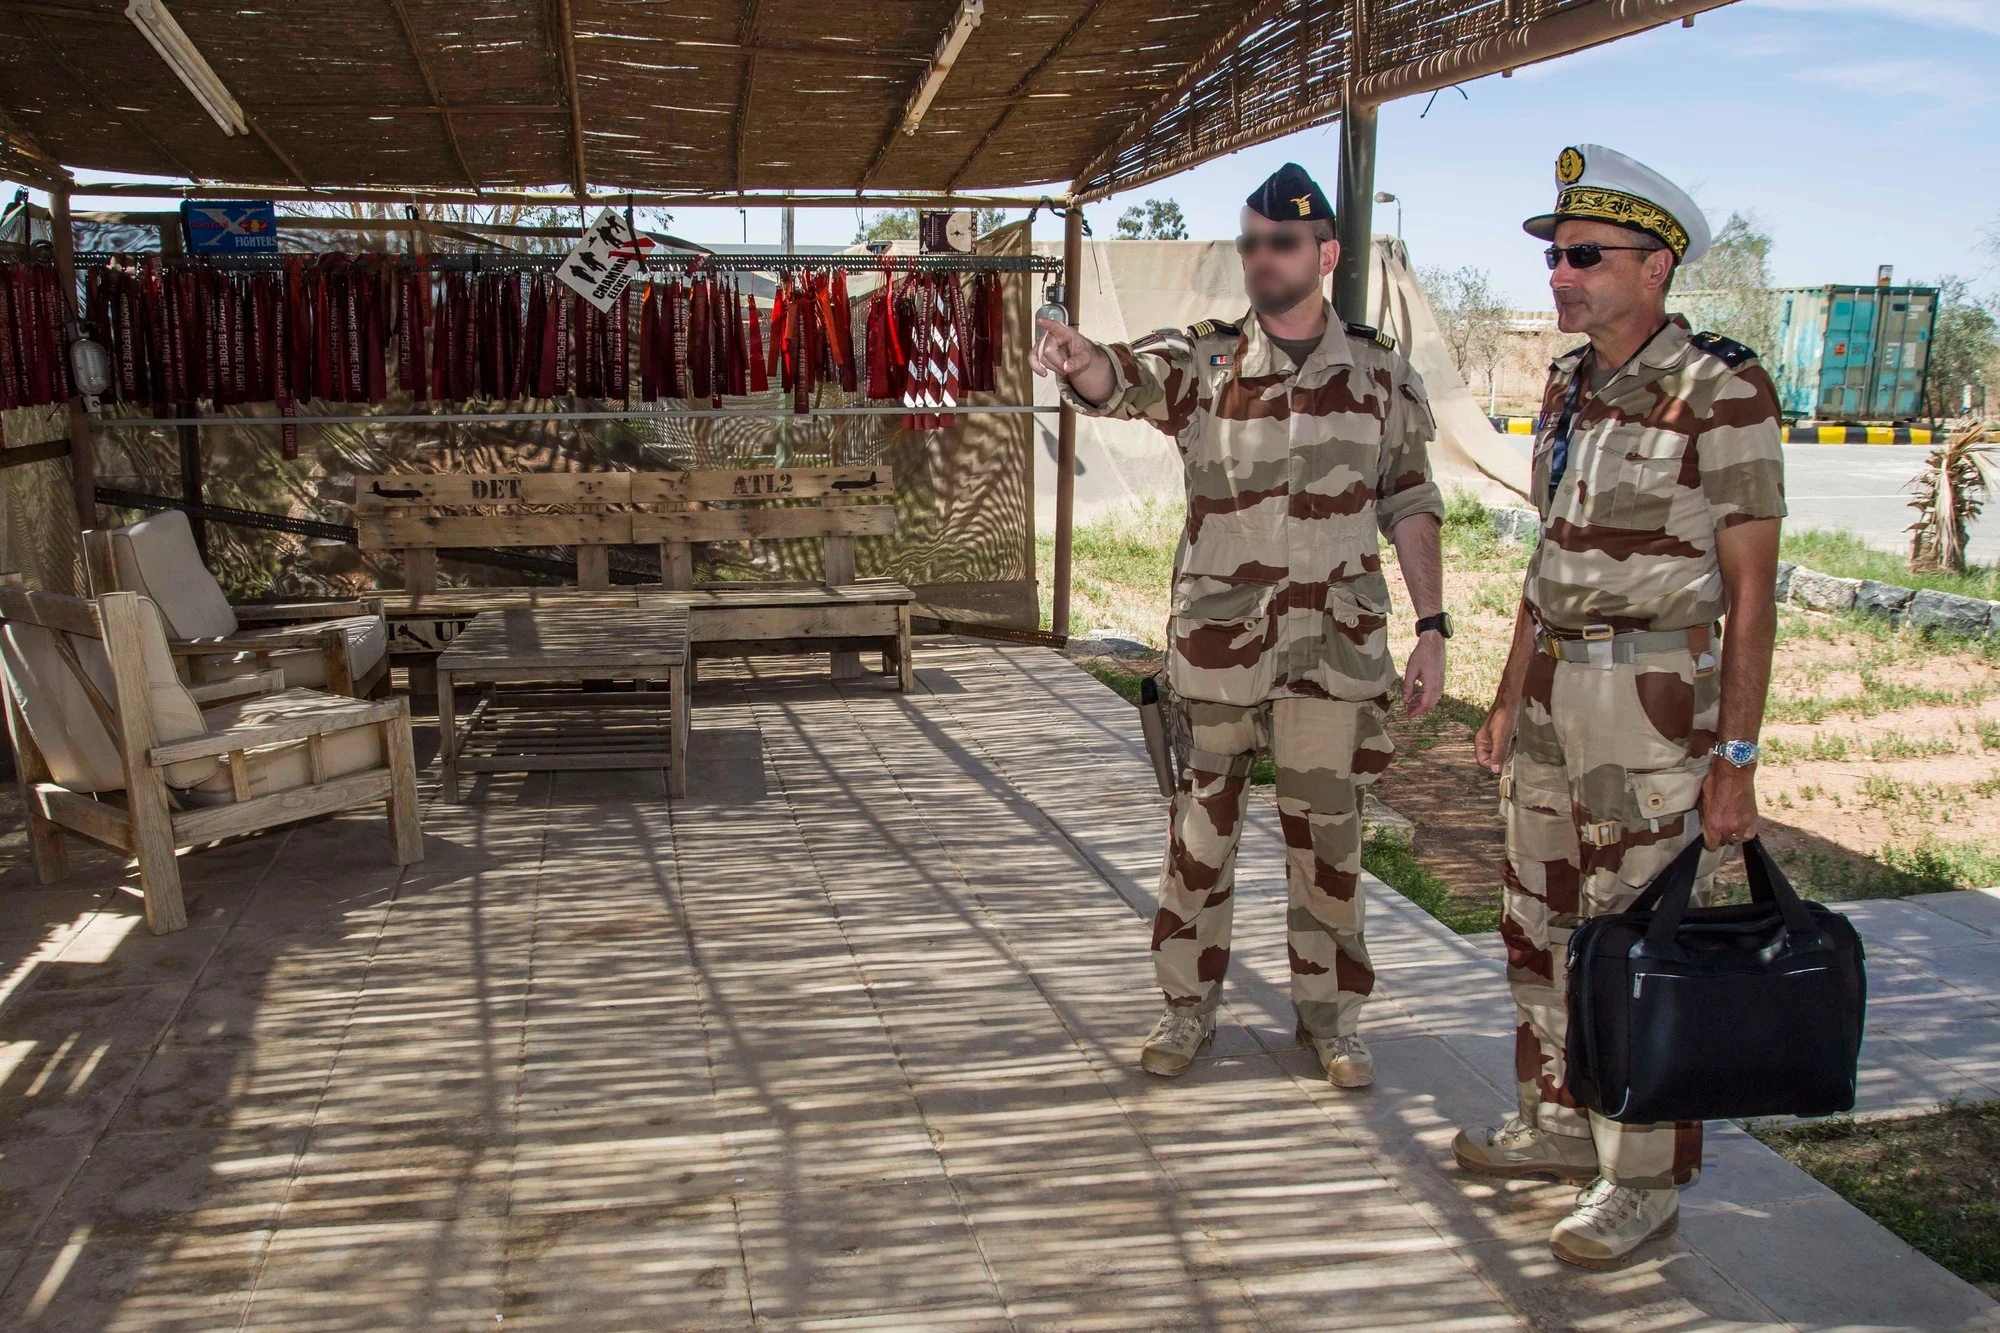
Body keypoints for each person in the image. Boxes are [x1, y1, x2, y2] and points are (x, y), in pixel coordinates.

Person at [1031, 163, 1450, 1089]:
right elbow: (1122, 380)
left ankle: (1332, 1020)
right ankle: (1186, 1009)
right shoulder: (1205, 360)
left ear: (1325, 254)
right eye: (1252, 241)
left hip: (1332, 651)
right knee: (1201, 833)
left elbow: (1412, 499)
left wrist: (1433, 624)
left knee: (1327, 837)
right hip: (1221, 650)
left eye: (1282, 243)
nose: (1262, 257)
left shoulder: (1379, 375)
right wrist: (1080, 361)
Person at [1450, 144, 1785, 1269]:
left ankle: (1639, 1178)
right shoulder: (1565, 384)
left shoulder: (1721, 391)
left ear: (1654, 267)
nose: (1559, 271)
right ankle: (1551, 1121)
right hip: (1550, 688)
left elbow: (1748, 587)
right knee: (1535, 919)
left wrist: (1732, 756)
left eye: (1584, 255)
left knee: (1635, 937)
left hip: (1648, 702)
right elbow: (1548, 557)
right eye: (1555, 254)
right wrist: (1503, 696)